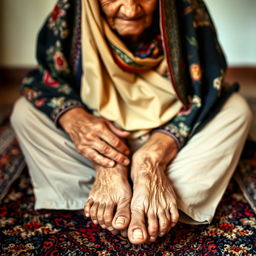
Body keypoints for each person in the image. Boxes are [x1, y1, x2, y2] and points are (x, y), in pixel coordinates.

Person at [11, 0, 252, 245]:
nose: (129, 9)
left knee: (236, 112)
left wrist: (151, 160)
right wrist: (84, 131)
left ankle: (137, 193)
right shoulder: (72, 10)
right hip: (96, 137)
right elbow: (46, 79)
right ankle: (128, 193)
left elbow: (208, 88)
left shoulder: (185, 7)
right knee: (25, 113)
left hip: (171, 140)